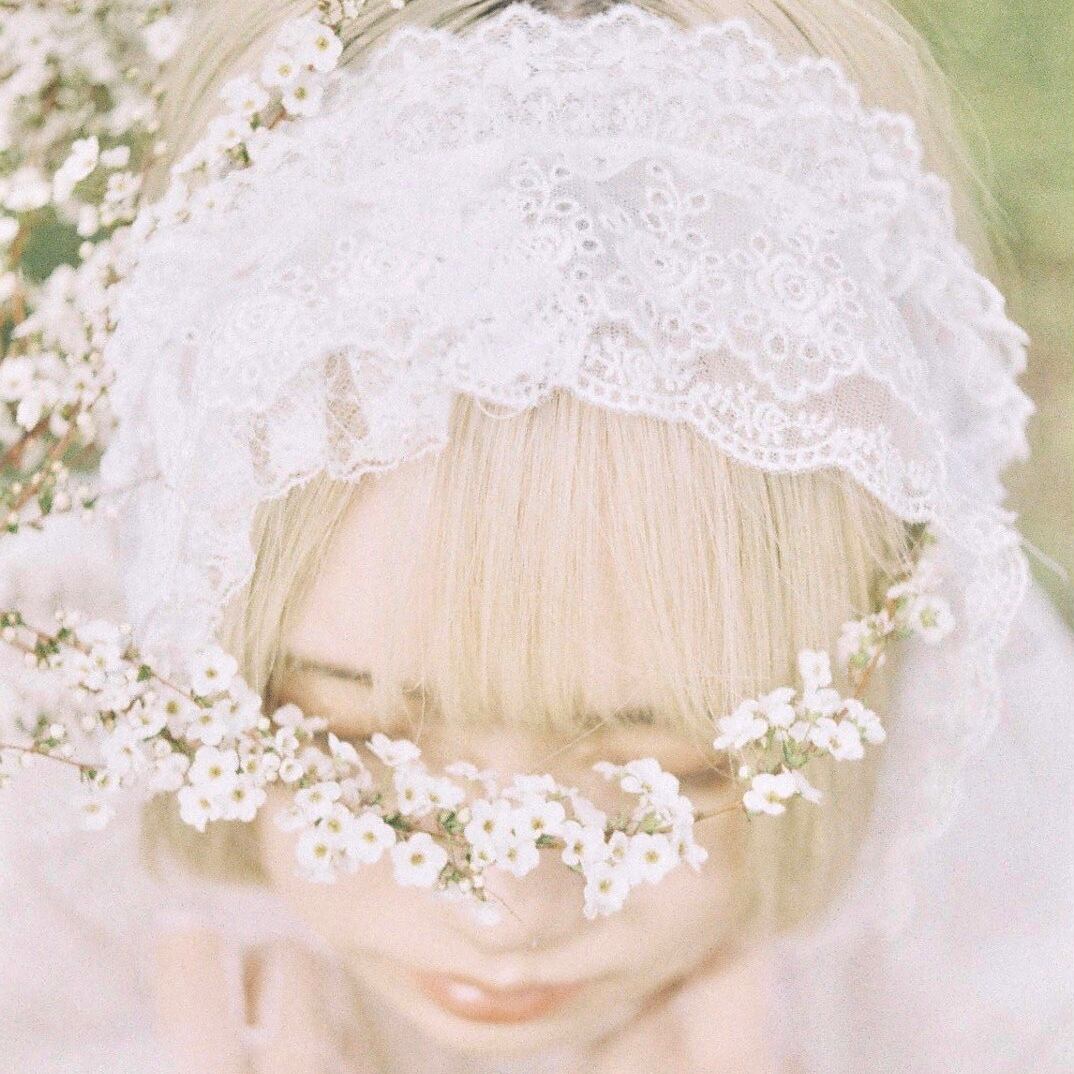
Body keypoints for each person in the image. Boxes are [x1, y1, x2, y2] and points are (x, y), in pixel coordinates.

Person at [0, 1, 1071, 1072]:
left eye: (671, 763)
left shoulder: (989, 929)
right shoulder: (42, 875)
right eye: (350, 732)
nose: (505, 910)